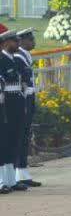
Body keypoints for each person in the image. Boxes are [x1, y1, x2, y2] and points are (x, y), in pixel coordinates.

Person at [0, 30, 27, 193]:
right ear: (5, 43)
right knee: (2, 141)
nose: (17, 44)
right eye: (14, 41)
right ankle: (1, 180)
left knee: (13, 141)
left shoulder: (16, 60)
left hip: (16, 103)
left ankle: (11, 180)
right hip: (4, 105)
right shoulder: (1, 60)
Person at [13, 29, 39, 188]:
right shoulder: (17, 57)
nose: (33, 41)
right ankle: (17, 173)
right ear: (21, 41)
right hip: (22, 100)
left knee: (24, 136)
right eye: (30, 39)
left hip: (29, 98)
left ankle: (22, 172)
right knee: (20, 137)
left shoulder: (25, 56)